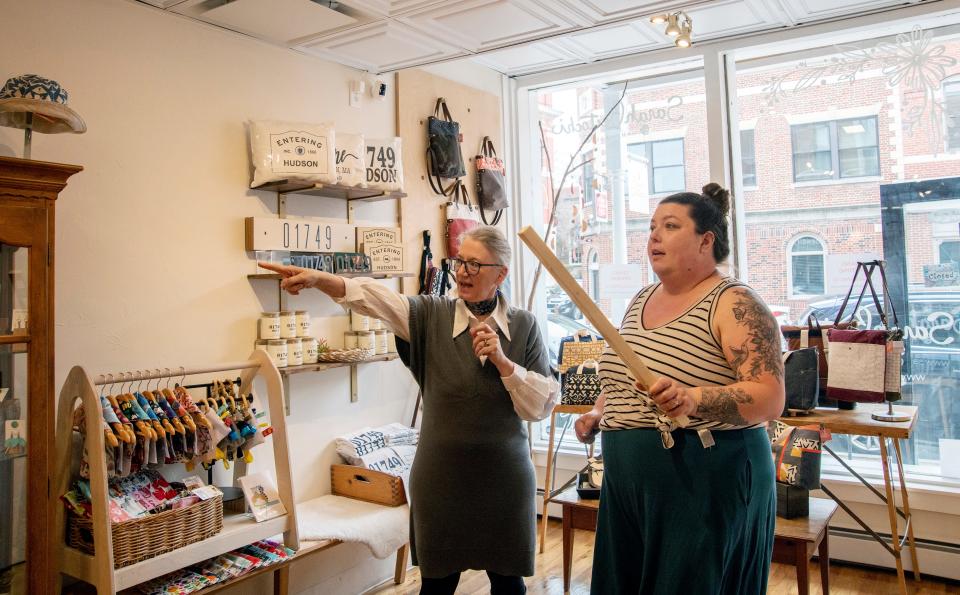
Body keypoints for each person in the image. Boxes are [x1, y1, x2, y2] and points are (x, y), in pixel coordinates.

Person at [260, 225, 558, 595]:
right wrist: (321, 280)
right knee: (436, 585)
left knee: (508, 585)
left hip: (504, 481)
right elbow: (373, 298)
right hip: (440, 481)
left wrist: (503, 362)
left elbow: (540, 406)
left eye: (475, 265)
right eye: (459, 261)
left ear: (501, 273)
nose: (463, 272)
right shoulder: (430, 316)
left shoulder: (524, 326)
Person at [574, 183, 784, 594]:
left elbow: (769, 397)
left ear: (706, 240)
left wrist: (693, 397)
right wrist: (600, 413)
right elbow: (626, 378)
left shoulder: (733, 302)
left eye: (670, 226)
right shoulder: (641, 299)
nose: (654, 236)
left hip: (702, 482)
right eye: (652, 227)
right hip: (630, 488)